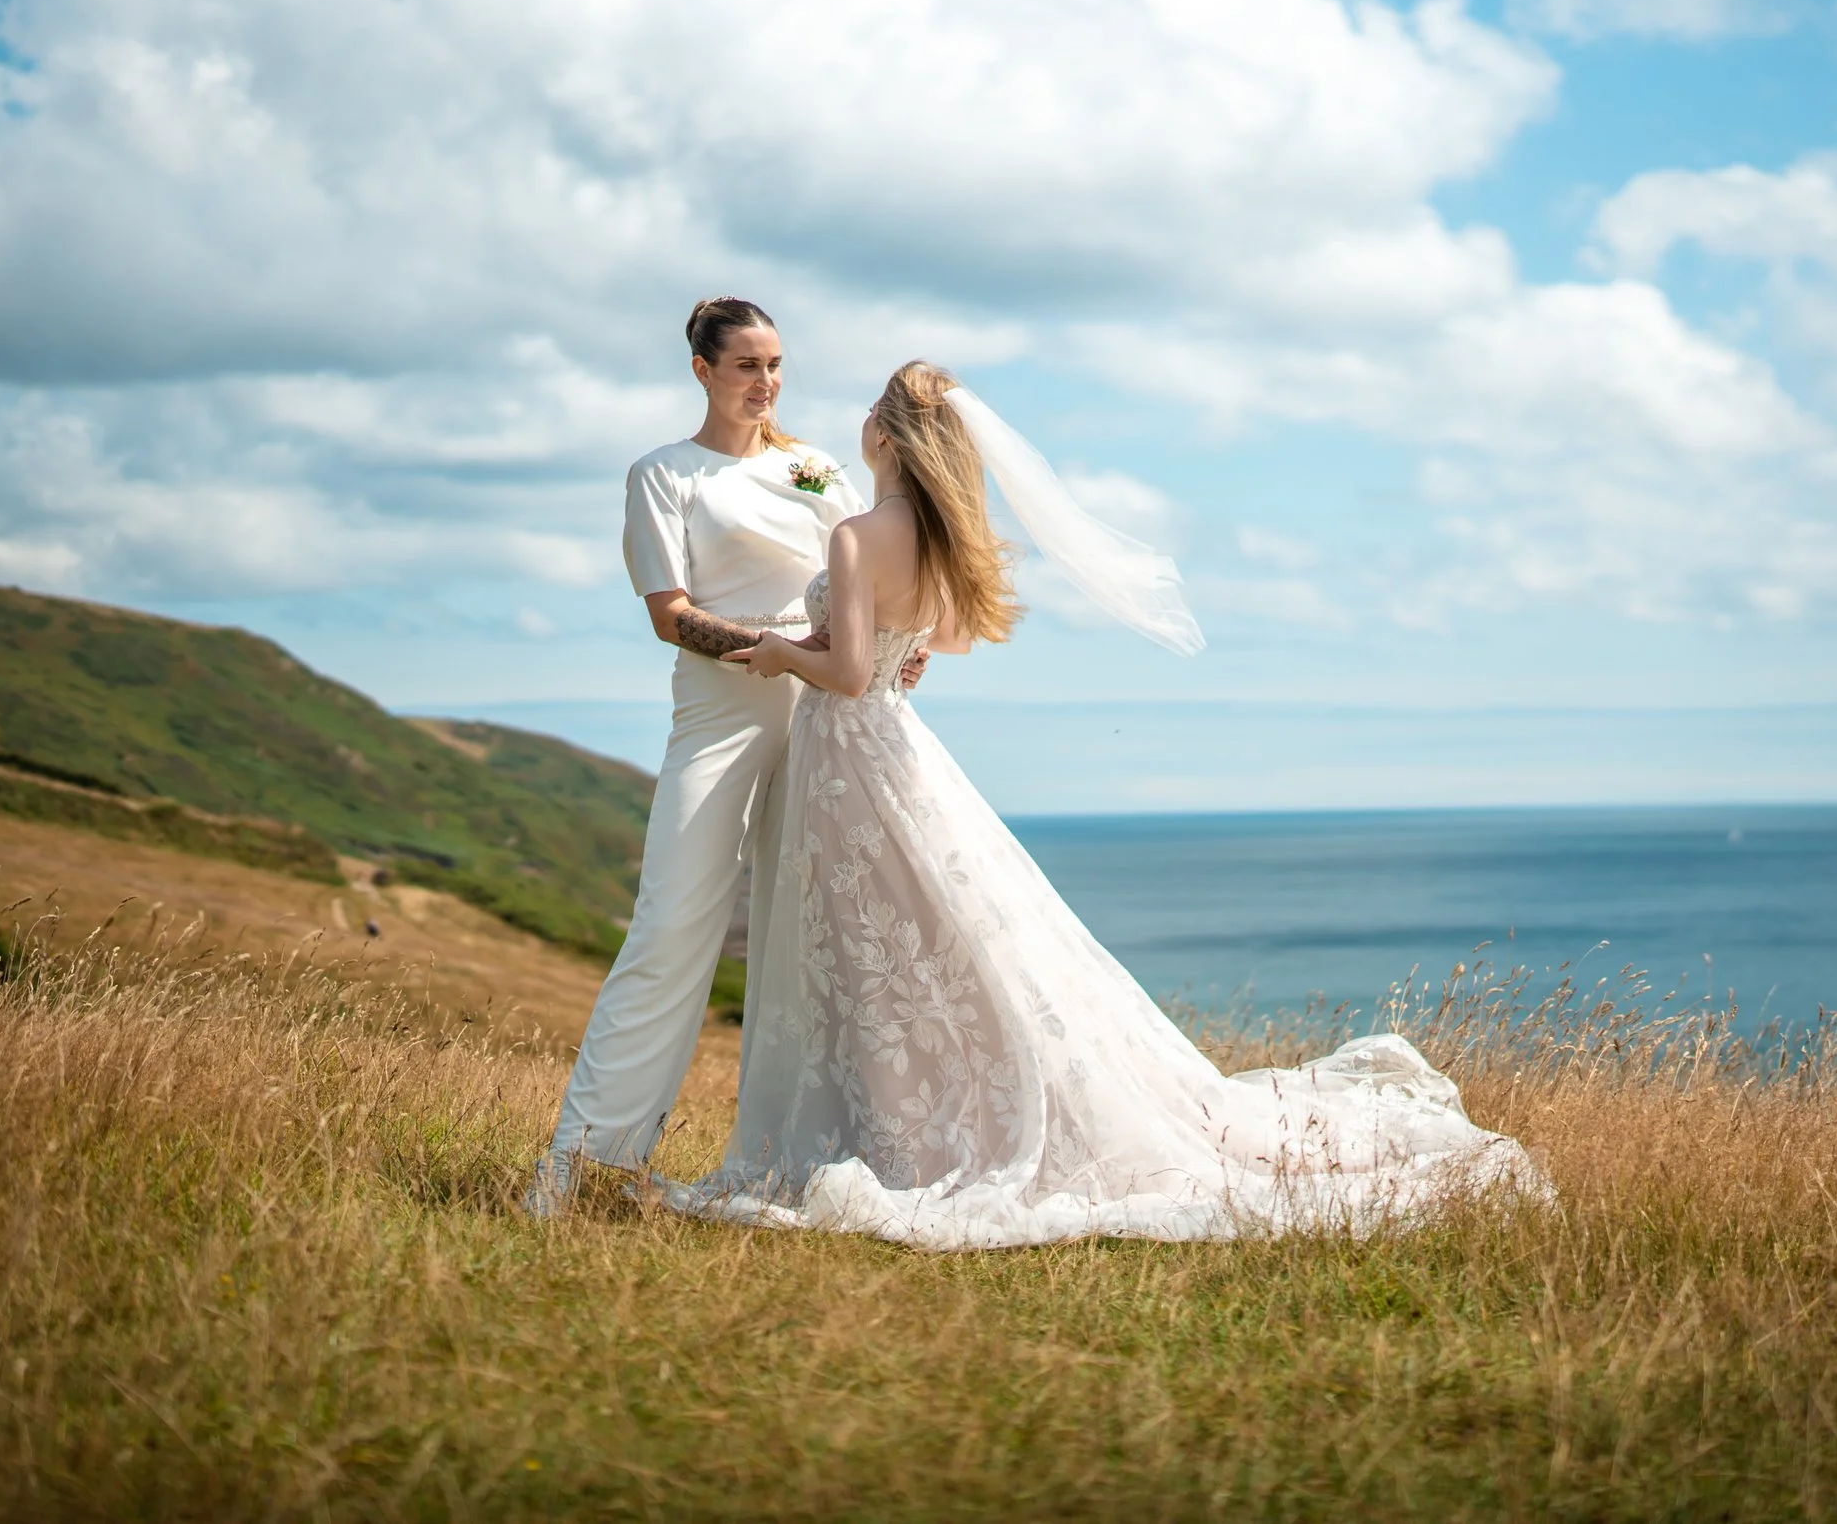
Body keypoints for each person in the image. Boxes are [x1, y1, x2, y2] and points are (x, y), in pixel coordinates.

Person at [649, 361, 1544, 1249]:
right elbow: (945, 641)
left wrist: (778, 653)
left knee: (865, 945)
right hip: (900, 745)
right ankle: (913, 1119)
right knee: (931, 944)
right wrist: (877, 649)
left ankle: (882, 1124)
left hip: (846, 755)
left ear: (882, 433)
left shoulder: (855, 534)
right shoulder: (939, 536)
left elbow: (843, 672)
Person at [521, 298, 924, 1215]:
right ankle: (582, 1167)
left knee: (823, 935)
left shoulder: (816, 467)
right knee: (669, 931)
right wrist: (773, 649)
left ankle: (831, 1157)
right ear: (701, 369)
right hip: (720, 710)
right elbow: (669, 613)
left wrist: (894, 646)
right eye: (746, 364)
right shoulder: (663, 475)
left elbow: (880, 573)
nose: (766, 382)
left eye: (776, 364)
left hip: (831, 712)